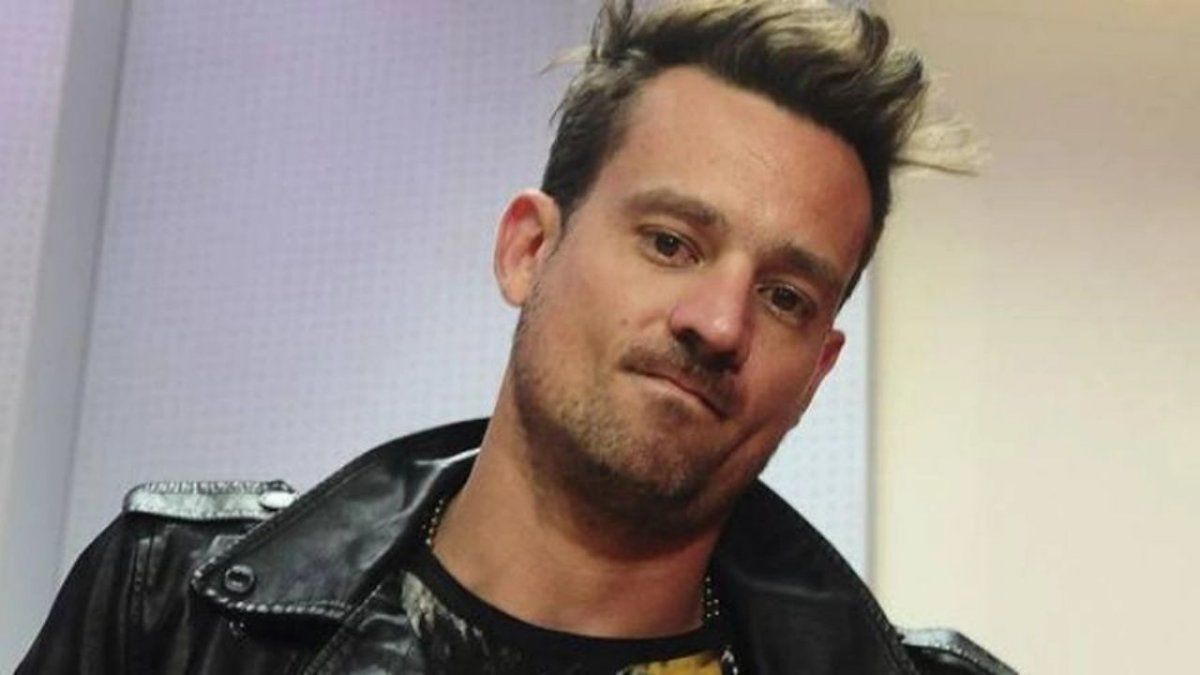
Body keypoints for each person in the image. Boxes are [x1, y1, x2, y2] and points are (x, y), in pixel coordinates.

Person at [19, 1, 1014, 673]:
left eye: (787, 297)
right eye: (671, 242)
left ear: (817, 373)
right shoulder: (172, 606)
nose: (718, 323)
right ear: (529, 250)